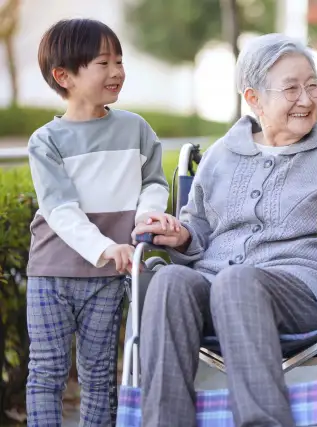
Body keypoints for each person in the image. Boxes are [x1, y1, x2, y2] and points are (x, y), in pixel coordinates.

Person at [130, 33, 317, 427]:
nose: (307, 99)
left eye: (313, 85)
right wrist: (183, 236)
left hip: (300, 290)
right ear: (253, 98)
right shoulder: (221, 154)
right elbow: (197, 225)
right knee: (169, 280)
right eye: (292, 88)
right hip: (213, 283)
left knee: (237, 282)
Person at [26, 19, 170, 426]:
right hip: (51, 272)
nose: (117, 71)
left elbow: (154, 183)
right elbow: (59, 208)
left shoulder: (136, 129)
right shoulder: (46, 140)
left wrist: (145, 221)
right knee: (46, 372)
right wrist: (105, 247)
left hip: (108, 275)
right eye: (103, 62)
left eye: (120, 61)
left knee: (100, 375)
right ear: (64, 76)